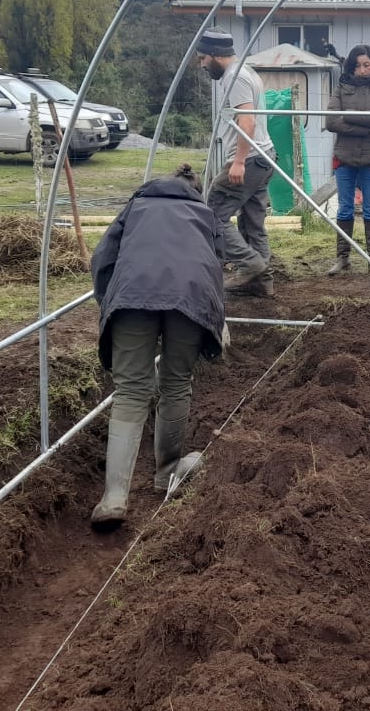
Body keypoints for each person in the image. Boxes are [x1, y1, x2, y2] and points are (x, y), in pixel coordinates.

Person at [88, 164, 226, 526]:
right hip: (190, 300)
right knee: (176, 382)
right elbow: (215, 267)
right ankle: (167, 474)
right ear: (196, 190)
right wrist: (216, 318)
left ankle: (114, 498)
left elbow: (102, 259)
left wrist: (110, 303)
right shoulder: (204, 213)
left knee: (131, 391)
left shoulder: (136, 206)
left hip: (132, 298)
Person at [198, 27, 276, 297]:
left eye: (203, 58)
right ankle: (262, 282)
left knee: (211, 215)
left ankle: (249, 264)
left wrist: (239, 161)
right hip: (264, 156)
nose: (202, 65)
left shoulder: (235, 77)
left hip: (250, 159)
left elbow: (248, 121)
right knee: (253, 222)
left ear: (214, 54)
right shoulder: (247, 71)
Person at [323, 45, 370, 275]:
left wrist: (348, 117)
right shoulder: (341, 88)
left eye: (367, 65)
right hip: (345, 156)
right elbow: (331, 121)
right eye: (357, 66)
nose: (362, 70)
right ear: (350, 67)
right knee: (345, 209)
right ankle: (342, 258)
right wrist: (365, 129)